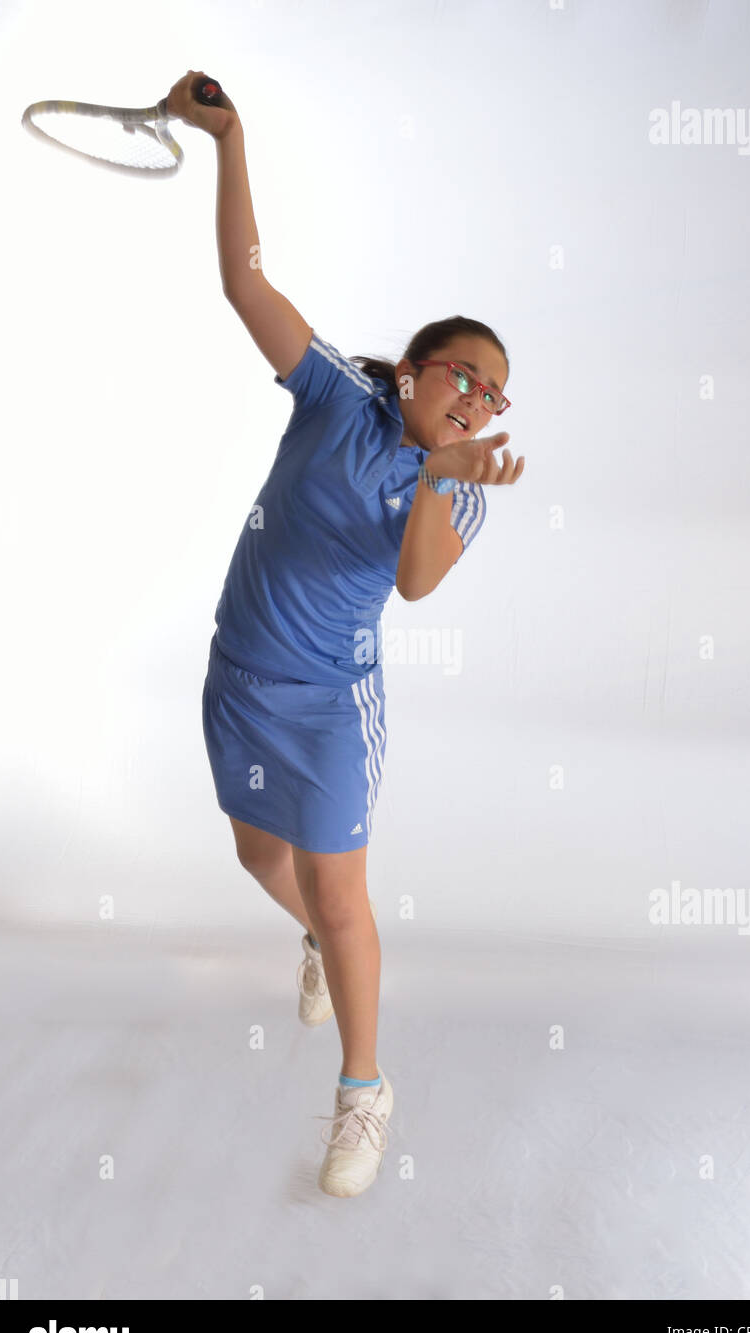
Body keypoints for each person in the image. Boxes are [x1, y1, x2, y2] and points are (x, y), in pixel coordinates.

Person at [166, 71, 525, 1198]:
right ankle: (316, 938)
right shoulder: (332, 396)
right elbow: (243, 280)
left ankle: (364, 1092)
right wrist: (233, 140)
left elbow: (416, 584)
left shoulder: (461, 493)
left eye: (495, 393)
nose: (478, 396)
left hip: (329, 705)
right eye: (464, 372)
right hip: (240, 674)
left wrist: (439, 474)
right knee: (256, 856)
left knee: (342, 890)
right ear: (414, 371)